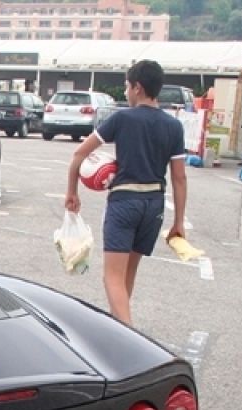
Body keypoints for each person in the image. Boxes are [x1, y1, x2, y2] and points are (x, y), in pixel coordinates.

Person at [65, 60, 188, 326]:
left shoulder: (122, 119)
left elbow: (79, 154)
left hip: (125, 201)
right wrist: (178, 221)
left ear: (138, 87)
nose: (126, 93)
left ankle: (129, 335)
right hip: (154, 204)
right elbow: (179, 177)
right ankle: (118, 327)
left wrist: (72, 191)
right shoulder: (173, 126)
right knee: (127, 276)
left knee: (112, 276)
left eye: (127, 87)